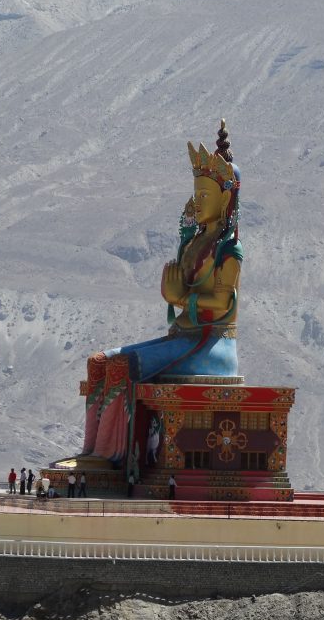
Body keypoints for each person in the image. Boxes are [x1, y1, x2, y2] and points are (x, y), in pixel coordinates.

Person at [82, 121, 243, 464]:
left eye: (205, 195)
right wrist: (175, 290)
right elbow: (179, 290)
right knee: (98, 363)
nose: (198, 201)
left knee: (121, 366)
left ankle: (112, 456)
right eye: (196, 194)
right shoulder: (194, 243)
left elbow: (222, 303)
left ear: (225, 198)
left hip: (210, 344)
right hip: (183, 337)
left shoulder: (228, 251)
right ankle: (92, 450)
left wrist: (180, 297)